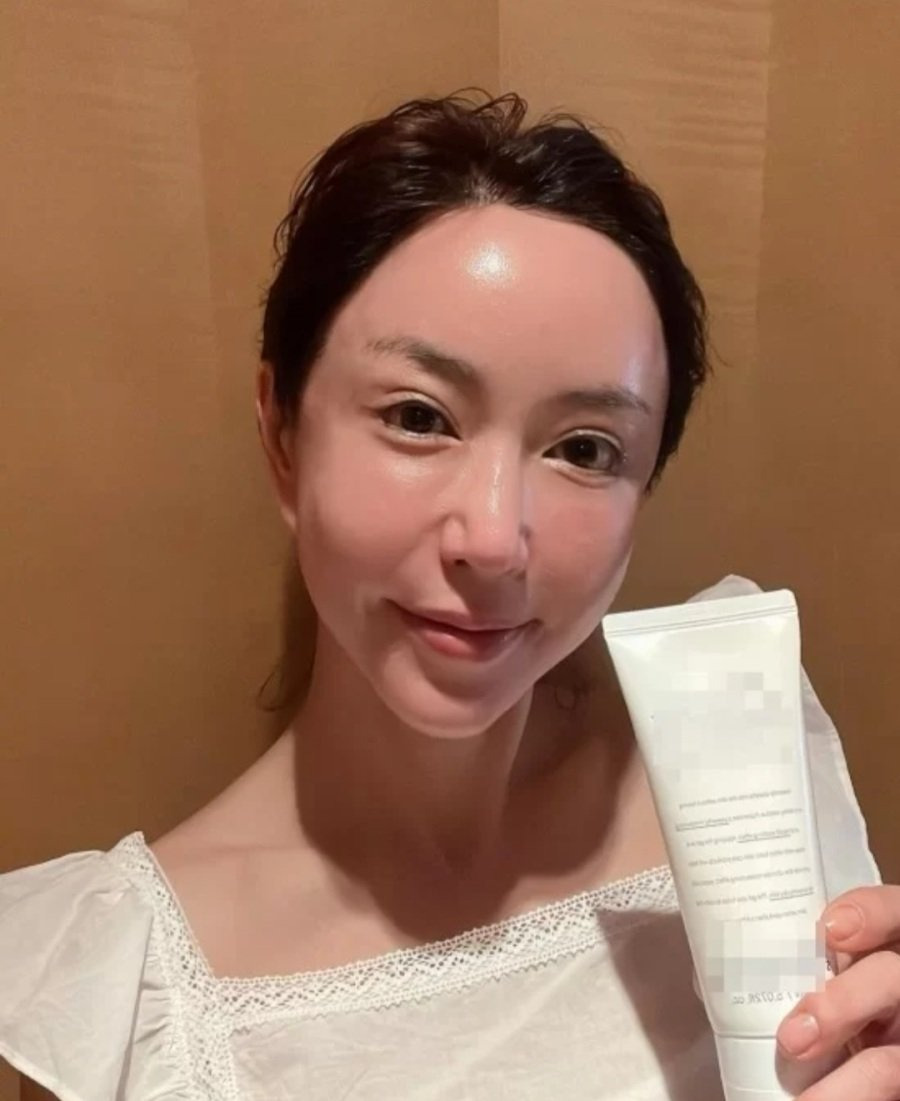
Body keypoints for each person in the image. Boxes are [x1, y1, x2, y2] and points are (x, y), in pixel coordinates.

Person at [0, 91, 892, 1101]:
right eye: (419, 418)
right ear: (283, 434)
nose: (493, 539)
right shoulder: (125, 1002)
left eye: (585, 448)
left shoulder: (753, 800)